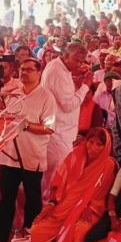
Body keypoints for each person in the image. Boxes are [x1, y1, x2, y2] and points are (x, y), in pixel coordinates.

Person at [30, 128, 117, 242]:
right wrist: (52, 203)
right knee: (37, 230)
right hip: (63, 208)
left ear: (105, 147)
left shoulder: (108, 165)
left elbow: (101, 196)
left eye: (99, 144)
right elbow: (58, 180)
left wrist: (89, 207)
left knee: (79, 231)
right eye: (91, 142)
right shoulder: (75, 155)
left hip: (89, 211)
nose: (93, 147)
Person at [0, 58, 57, 242]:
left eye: (29, 70)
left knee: (33, 199)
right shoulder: (13, 95)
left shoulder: (46, 97)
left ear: (39, 72)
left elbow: (49, 128)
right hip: (9, 156)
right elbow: (3, 120)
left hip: (32, 157)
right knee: (6, 199)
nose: (24, 73)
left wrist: (26, 125)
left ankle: (31, 238)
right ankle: (0, 238)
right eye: (22, 69)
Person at [41, 42, 92, 192]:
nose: (79, 64)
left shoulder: (62, 69)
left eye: (82, 61)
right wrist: (85, 86)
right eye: (76, 60)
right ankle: (47, 212)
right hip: (57, 134)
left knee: (54, 179)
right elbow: (68, 105)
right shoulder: (57, 71)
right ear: (65, 55)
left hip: (62, 132)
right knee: (55, 180)